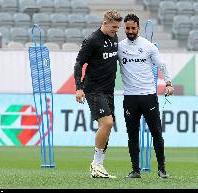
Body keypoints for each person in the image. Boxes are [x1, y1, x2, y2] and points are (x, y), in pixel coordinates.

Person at [118, 14, 174, 179]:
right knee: (132, 134)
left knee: (156, 132)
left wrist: (168, 83)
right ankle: (136, 170)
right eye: (127, 28)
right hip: (129, 97)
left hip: (148, 96)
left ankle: (162, 169)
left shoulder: (149, 46)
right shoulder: (119, 47)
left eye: (133, 28)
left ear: (138, 28)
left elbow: (162, 65)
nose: (130, 31)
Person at [74, 10, 123, 178]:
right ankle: (95, 164)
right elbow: (79, 64)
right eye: (114, 27)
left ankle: (99, 166)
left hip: (108, 90)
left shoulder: (114, 38)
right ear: (105, 23)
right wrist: (79, 87)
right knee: (107, 123)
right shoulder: (92, 40)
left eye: (118, 27)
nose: (116, 30)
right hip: (93, 89)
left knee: (107, 127)